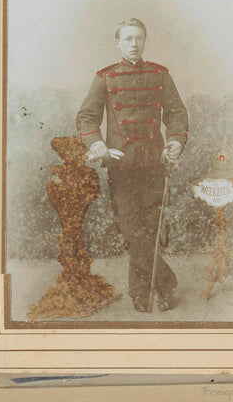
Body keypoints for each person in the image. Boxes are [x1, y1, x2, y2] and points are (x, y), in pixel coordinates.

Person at [76, 18, 189, 312]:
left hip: (154, 165)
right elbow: (86, 118)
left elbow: (176, 113)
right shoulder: (105, 77)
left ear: (145, 40)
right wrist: (97, 144)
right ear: (118, 44)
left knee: (149, 231)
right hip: (121, 167)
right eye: (128, 39)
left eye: (139, 38)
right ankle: (167, 283)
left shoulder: (160, 76)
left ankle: (141, 294)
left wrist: (174, 142)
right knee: (130, 230)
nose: (134, 44)